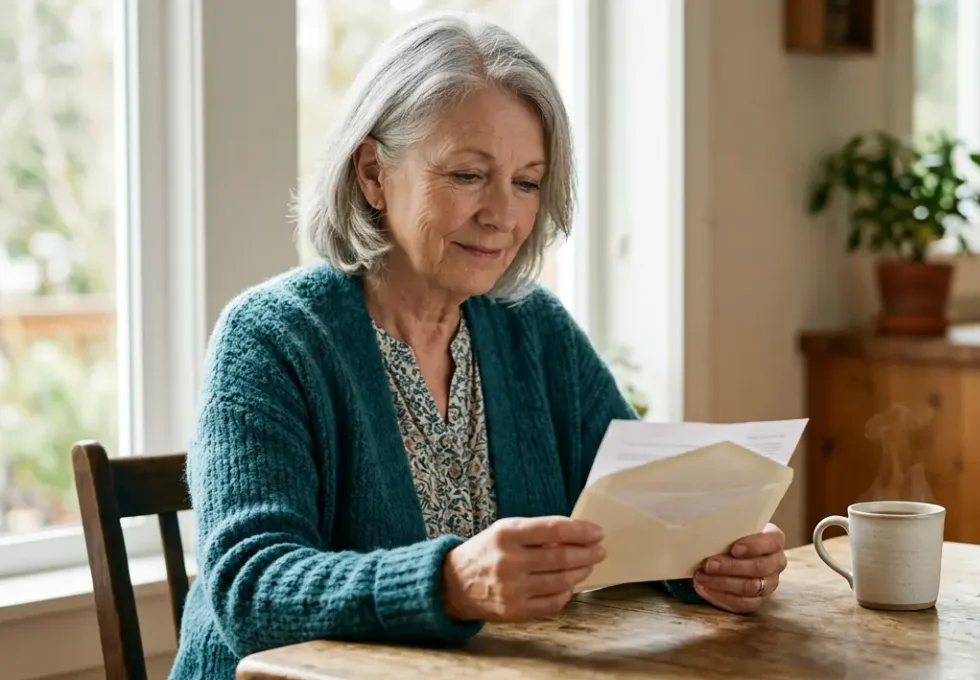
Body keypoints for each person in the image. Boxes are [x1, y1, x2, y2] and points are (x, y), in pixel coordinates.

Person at [168, 12, 788, 679]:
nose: (504, 214)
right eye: (468, 175)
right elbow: (250, 589)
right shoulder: (270, 337)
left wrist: (710, 560)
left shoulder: (534, 327)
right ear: (373, 172)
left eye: (526, 182)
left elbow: (641, 514)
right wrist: (450, 583)